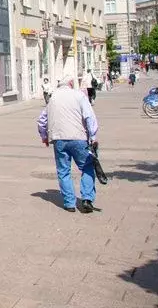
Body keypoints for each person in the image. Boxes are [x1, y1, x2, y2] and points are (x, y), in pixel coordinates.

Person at [36, 71, 99, 214]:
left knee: (63, 171)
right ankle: (87, 199)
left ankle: (69, 203)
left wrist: (44, 136)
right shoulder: (79, 96)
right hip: (79, 138)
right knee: (87, 166)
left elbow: (41, 120)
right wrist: (93, 136)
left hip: (59, 139)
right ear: (71, 84)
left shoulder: (53, 98)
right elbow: (89, 117)